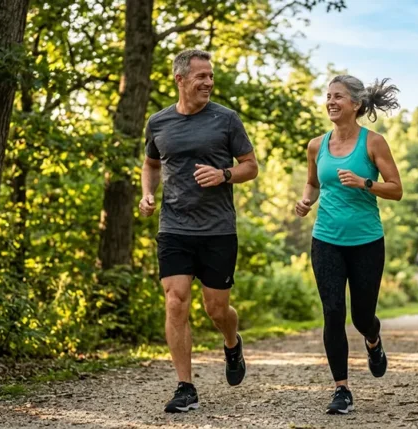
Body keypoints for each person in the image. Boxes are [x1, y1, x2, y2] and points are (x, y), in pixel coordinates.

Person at [139, 49, 258, 413]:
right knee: (175, 301)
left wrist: (224, 174)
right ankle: (185, 386)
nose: (208, 82)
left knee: (216, 309)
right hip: (174, 226)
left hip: (217, 229)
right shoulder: (158, 122)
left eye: (211, 76)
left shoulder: (226, 119)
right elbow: (151, 163)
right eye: (201, 76)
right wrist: (147, 193)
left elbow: (250, 166)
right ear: (180, 79)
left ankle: (232, 342)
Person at [294, 75, 403, 415]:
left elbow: (396, 189)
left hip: (366, 241)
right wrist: (305, 201)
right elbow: (313, 184)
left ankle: (373, 339)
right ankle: (341, 389)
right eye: (328, 96)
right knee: (332, 312)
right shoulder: (316, 145)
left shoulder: (374, 143)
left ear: (355, 104)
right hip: (326, 239)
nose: (331, 101)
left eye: (338, 96)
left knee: (362, 316)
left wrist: (364, 182)